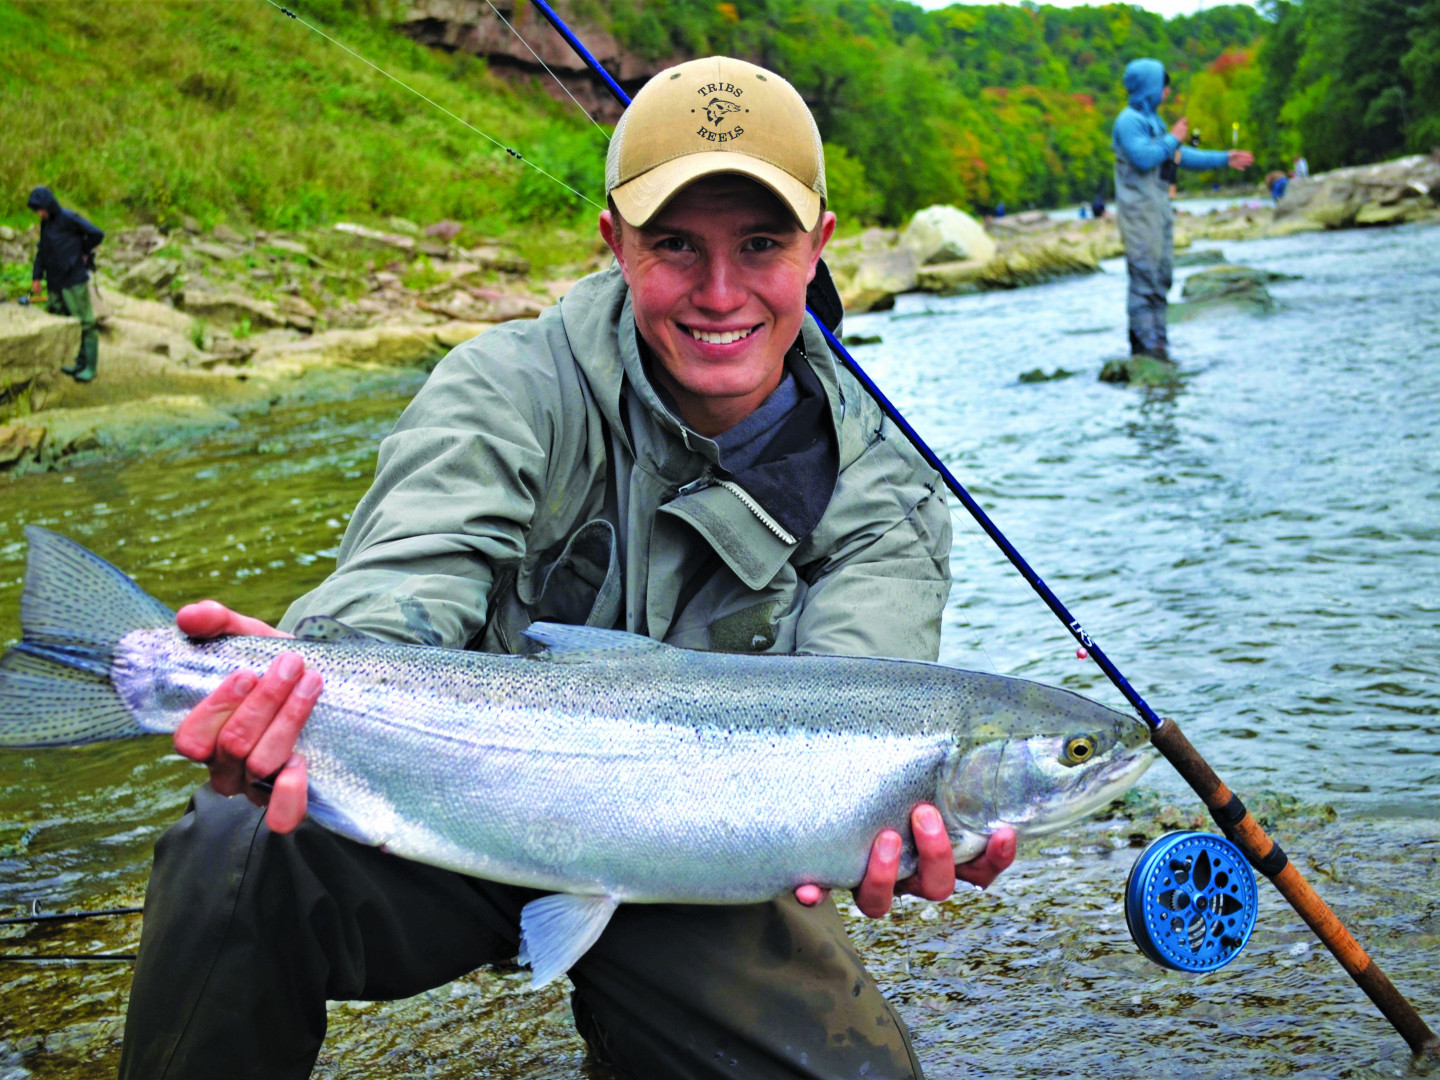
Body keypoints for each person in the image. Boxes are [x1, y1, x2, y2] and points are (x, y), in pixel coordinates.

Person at [117, 56, 1015, 1080]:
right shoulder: (508, 386)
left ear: (820, 246)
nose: (720, 292)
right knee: (236, 843)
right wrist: (297, 686)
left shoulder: (883, 481)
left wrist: (897, 833)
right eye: (676, 245)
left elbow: (869, 710)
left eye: (760, 245)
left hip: (696, 871)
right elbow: (401, 588)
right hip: (443, 811)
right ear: (612, 244)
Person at [1112, 59, 1253, 361]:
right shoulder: (1128, 121)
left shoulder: (1156, 123)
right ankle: (1144, 346)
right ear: (1150, 86)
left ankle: (1159, 342)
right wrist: (1173, 137)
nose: (1167, 90)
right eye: (1163, 84)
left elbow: (1177, 155)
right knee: (1144, 276)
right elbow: (1144, 157)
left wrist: (1224, 158)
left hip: (1159, 207)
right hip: (1138, 211)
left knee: (1162, 275)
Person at [27, 186, 104, 382]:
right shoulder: (45, 224)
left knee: (86, 321)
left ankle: (90, 367)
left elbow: (97, 234)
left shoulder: (68, 218)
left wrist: (82, 251)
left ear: (48, 205)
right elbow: (42, 251)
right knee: (59, 316)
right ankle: (76, 362)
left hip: (73, 279)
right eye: (36, 210)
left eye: (40, 209)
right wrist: (37, 276)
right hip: (54, 281)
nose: (39, 213)